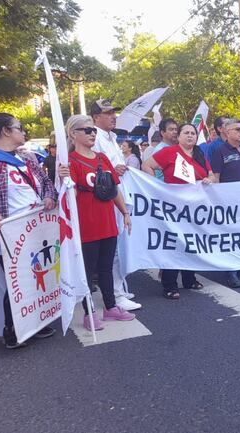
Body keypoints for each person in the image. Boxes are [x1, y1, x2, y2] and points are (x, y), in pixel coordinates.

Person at [0, 113, 58, 348]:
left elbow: (46, 183)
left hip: (36, 230)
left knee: (37, 273)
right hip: (7, 235)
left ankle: (34, 320)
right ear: (6, 131)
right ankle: (13, 329)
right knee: (18, 279)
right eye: (20, 127)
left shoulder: (26, 158)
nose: (24, 131)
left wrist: (48, 196)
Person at [58, 115, 135, 330]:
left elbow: (114, 189)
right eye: (87, 130)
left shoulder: (102, 158)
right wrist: (61, 176)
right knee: (87, 271)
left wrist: (124, 212)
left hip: (107, 221)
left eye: (93, 130)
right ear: (73, 134)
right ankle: (89, 312)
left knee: (106, 267)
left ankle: (110, 307)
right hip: (86, 224)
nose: (92, 134)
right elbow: (65, 195)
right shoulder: (69, 162)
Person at [143, 123, 215, 299]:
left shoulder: (199, 154)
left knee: (191, 242)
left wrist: (209, 179)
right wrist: (158, 188)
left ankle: (189, 279)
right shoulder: (169, 152)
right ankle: (170, 284)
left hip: (194, 208)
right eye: (186, 133)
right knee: (174, 244)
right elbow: (147, 166)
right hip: (173, 207)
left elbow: (211, 174)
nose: (190, 136)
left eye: (193, 133)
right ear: (179, 136)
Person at [90, 99, 140, 311]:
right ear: (95, 117)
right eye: (107, 113)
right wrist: (112, 170)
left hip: (118, 194)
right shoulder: (95, 136)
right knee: (114, 250)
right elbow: (96, 165)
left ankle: (119, 288)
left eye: (113, 112)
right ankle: (116, 295)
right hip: (106, 196)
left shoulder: (112, 136)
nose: (113, 116)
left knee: (120, 245)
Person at [210, 118, 240, 288]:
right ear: (227, 133)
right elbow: (216, 178)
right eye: (237, 129)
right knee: (230, 236)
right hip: (228, 201)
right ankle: (231, 271)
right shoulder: (219, 151)